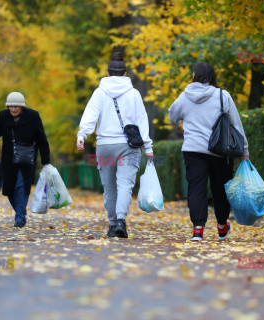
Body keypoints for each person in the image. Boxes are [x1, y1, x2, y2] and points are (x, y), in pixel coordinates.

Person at [168, 62, 249, 241]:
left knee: (196, 189)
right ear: (212, 77)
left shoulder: (184, 96)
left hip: (193, 150)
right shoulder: (222, 95)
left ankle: (198, 229)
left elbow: (173, 118)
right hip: (220, 150)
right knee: (220, 189)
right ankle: (222, 227)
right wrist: (244, 149)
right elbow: (236, 124)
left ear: (194, 76)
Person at [76, 52, 153, 238]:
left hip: (105, 145)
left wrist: (82, 135)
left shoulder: (99, 93)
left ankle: (111, 225)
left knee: (109, 188)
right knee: (125, 185)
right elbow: (142, 120)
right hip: (128, 146)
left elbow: (90, 115)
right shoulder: (134, 94)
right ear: (125, 74)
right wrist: (148, 147)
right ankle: (121, 220)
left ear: (108, 74)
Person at [0, 92, 50, 228]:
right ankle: (21, 212)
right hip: (9, 159)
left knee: (22, 186)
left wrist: (45, 159)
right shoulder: (4, 116)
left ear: (22, 107)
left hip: (27, 158)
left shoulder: (33, 116)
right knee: (9, 189)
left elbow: (42, 138)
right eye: (11, 106)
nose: (13, 109)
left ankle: (19, 218)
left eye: (16, 106)